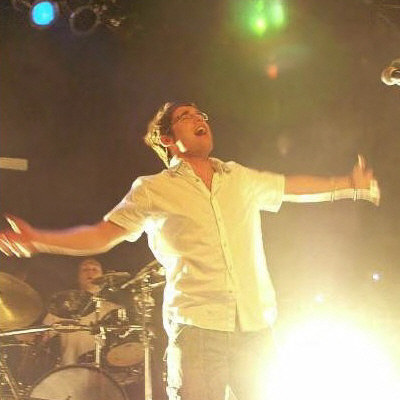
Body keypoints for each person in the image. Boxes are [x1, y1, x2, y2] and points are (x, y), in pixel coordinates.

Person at [0, 101, 380, 400]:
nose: (200, 119)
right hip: (198, 329)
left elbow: (291, 187)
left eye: (201, 115)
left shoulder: (239, 178)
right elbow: (103, 235)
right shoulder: (153, 189)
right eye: (186, 117)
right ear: (168, 139)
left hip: (255, 327)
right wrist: (38, 238)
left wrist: (349, 184)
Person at [43, 258, 118, 366]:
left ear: (103, 277)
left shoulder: (113, 309)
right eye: (85, 269)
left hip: (104, 370)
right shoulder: (63, 306)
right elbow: (43, 336)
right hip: (70, 369)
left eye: (95, 269)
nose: (90, 272)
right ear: (78, 276)